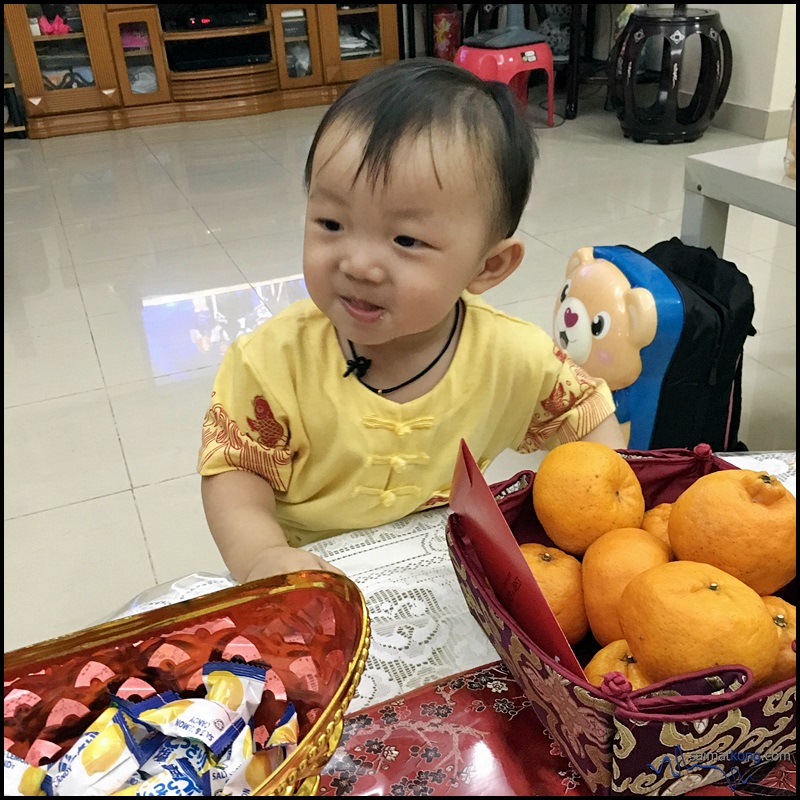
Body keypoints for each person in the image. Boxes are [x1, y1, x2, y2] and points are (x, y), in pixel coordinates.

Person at [197, 58, 626, 584]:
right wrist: (262, 557)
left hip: (442, 570)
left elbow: (590, 416)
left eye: (405, 240)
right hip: (312, 577)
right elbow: (235, 476)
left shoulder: (514, 358)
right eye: (331, 223)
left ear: (488, 266)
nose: (356, 263)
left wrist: (598, 519)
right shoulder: (271, 363)